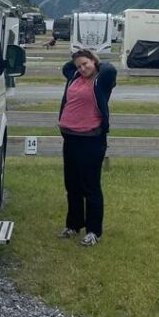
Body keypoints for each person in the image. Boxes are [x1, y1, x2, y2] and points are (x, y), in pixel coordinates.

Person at [57, 47, 117, 246]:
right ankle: (74, 224)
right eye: (79, 66)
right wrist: (77, 61)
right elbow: (66, 67)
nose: (82, 69)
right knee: (72, 184)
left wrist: (95, 64)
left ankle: (93, 231)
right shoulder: (74, 76)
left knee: (90, 186)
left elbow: (111, 69)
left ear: (93, 61)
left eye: (85, 64)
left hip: (91, 139)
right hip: (70, 137)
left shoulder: (102, 80)